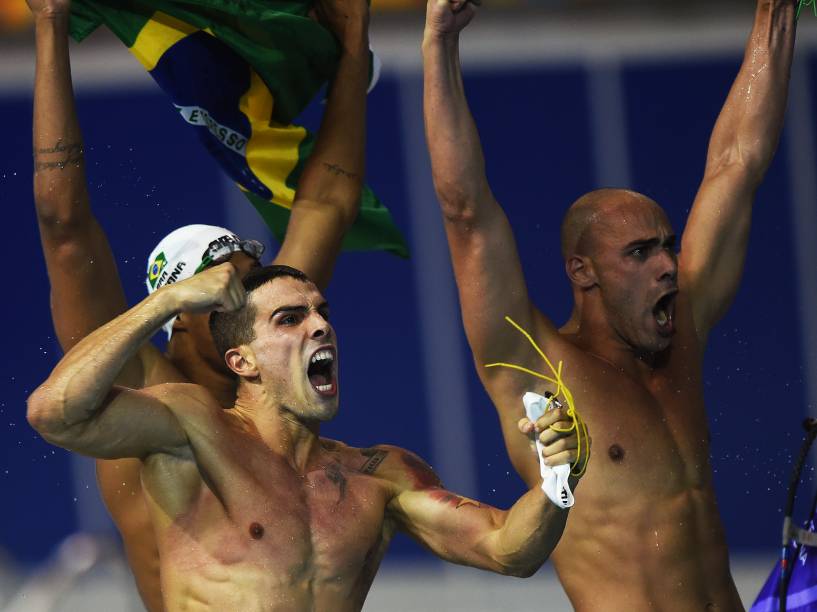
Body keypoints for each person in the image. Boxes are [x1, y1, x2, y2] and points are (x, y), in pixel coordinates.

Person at [422, 0, 797, 609]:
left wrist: (775, 11)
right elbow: (466, 212)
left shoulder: (683, 336)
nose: (670, 266)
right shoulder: (534, 362)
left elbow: (737, 163)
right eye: (641, 252)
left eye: (669, 246)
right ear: (582, 271)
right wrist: (438, 44)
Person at [28, 0, 370, 606]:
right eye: (222, 291)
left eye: (251, 284)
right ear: (177, 314)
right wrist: (51, 24)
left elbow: (328, 204)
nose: (249, 301)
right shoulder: (141, 389)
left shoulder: (271, 332)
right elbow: (64, 226)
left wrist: (351, 53)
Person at [27, 262, 586, 610]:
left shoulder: (378, 476)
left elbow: (509, 550)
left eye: (321, 312)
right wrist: (167, 302)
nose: (320, 325)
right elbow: (55, 413)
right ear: (241, 361)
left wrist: (558, 478)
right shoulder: (193, 429)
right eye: (289, 319)